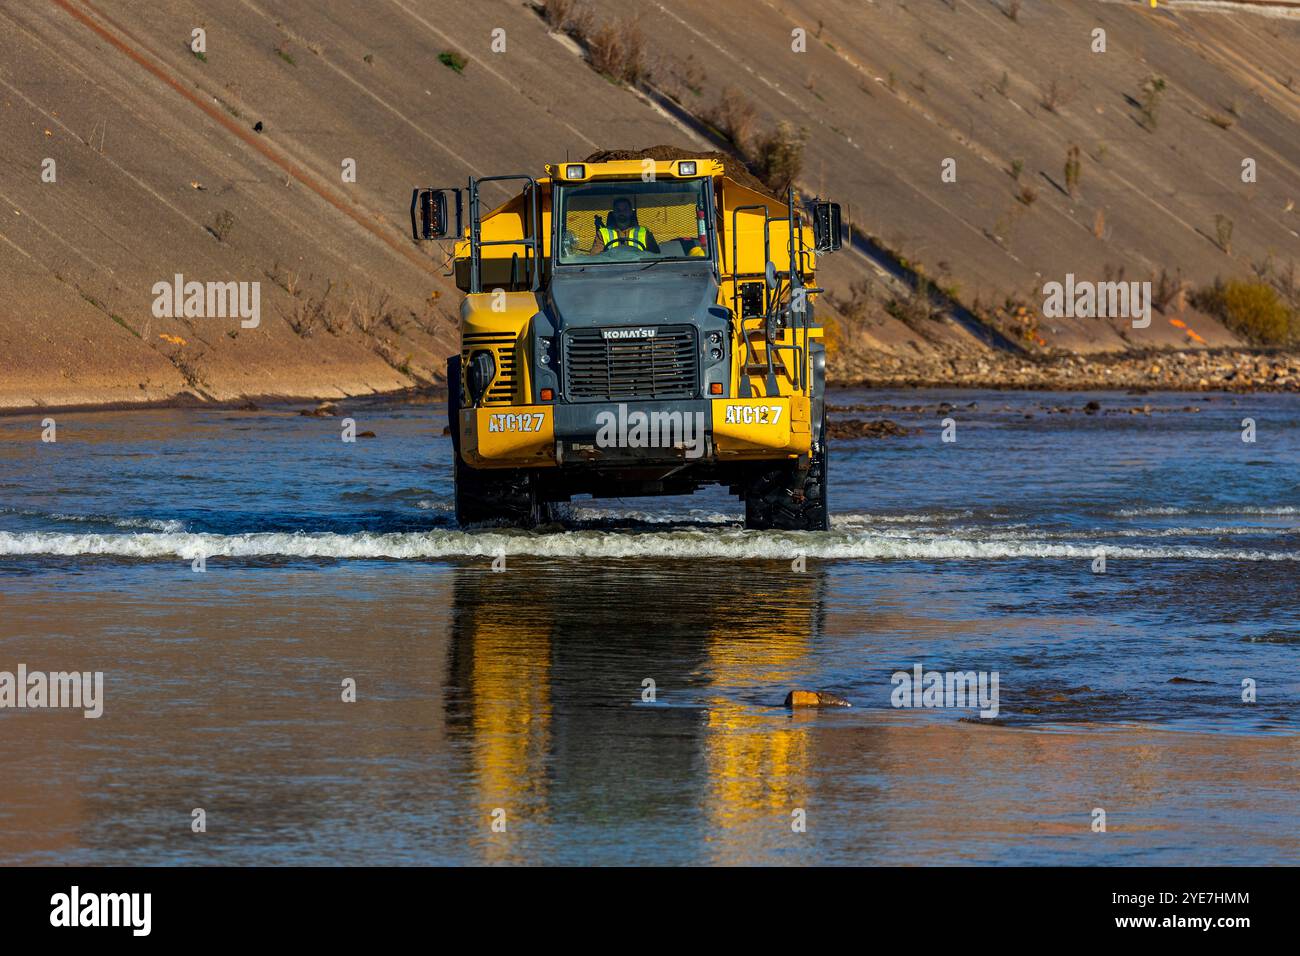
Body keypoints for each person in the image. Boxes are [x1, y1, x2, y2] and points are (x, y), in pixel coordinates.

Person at [591, 197, 660, 254]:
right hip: (611, 269)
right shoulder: (602, 233)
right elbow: (596, 258)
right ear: (614, 213)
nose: (621, 212)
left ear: (631, 212)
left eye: (625, 209)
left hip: (640, 268)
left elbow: (655, 256)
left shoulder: (644, 232)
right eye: (618, 210)